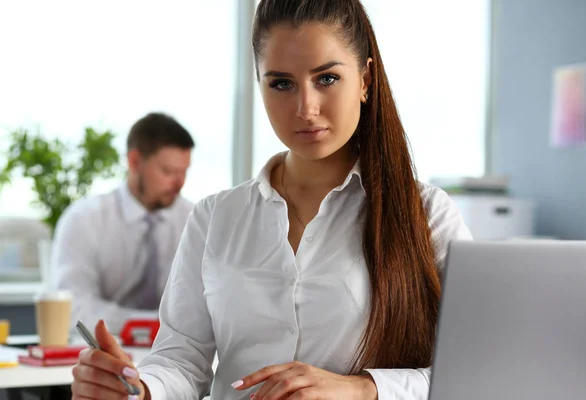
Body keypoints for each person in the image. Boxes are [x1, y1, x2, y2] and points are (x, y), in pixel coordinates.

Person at [71, 1, 472, 399]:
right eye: (281, 83)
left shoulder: (426, 214)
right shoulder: (215, 216)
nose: (305, 108)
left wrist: (362, 389)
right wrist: (137, 389)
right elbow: (180, 359)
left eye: (327, 79)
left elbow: (480, 370)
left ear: (366, 80)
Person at [52, 112, 195, 334]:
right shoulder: (84, 219)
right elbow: (73, 309)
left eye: (184, 172)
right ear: (135, 161)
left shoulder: (194, 219)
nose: (179, 183)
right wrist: (148, 325)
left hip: (176, 356)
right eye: (168, 171)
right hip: (102, 349)